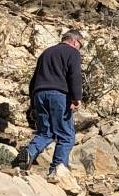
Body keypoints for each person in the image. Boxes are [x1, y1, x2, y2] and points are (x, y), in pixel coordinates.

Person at [18, 27, 85, 182]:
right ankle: (57, 170)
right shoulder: (72, 53)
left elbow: (33, 80)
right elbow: (74, 75)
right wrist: (76, 98)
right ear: (75, 41)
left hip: (39, 94)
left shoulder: (46, 53)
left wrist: (33, 101)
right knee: (66, 135)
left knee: (45, 132)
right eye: (80, 46)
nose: (79, 49)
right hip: (59, 95)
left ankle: (29, 152)